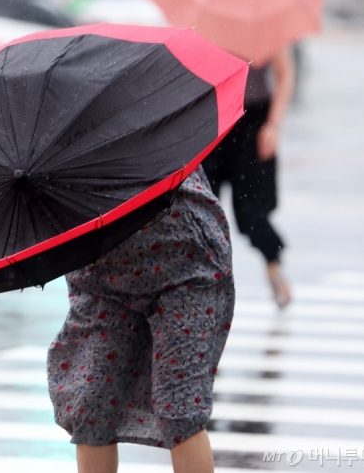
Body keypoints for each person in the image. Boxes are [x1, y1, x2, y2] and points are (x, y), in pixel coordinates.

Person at [47, 165, 234, 473]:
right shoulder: (47, 135)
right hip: (102, 272)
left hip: (186, 263)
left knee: (179, 409)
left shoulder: (143, 120)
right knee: (92, 404)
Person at [201, 46, 295, 309]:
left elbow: (285, 74)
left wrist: (273, 125)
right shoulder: (206, 23)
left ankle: (273, 264)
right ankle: (203, 285)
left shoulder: (264, 24)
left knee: (252, 215)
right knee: (203, 213)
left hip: (254, 125)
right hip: (213, 122)